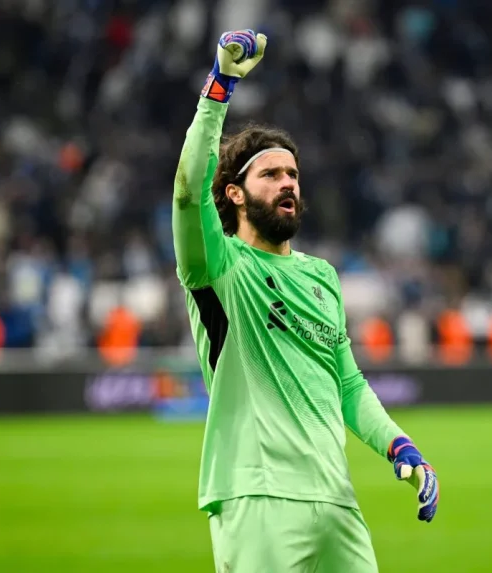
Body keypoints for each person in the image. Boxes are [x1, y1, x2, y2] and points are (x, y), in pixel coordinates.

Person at [171, 29, 440, 572]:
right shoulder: (219, 266)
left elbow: (347, 384)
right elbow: (186, 190)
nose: (287, 182)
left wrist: (399, 445)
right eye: (270, 174)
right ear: (234, 193)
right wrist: (218, 89)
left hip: (337, 501)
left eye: (293, 174)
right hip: (259, 496)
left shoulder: (322, 277)